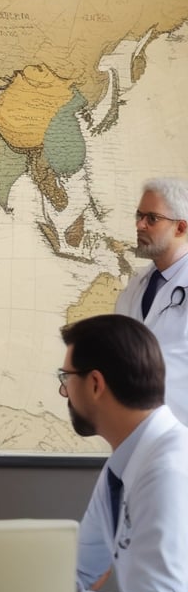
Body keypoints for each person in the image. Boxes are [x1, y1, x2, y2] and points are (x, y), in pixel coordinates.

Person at [59, 314, 188, 592]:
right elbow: (78, 570)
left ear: (96, 384)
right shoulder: (122, 467)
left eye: (66, 378)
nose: (62, 391)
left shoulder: (168, 468)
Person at [115, 177, 188, 424]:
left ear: (180, 228)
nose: (140, 225)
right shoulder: (135, 287)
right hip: (140, 433)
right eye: (139, 215)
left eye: (152, 218)